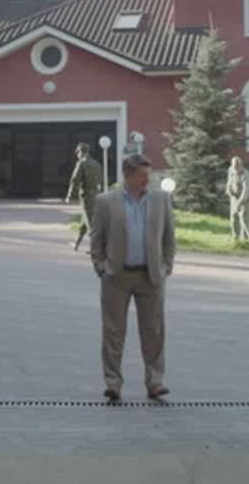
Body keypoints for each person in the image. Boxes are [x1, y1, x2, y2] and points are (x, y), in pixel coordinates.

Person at [90, 154, 176, 402]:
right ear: (127, 176)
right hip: (116, 277)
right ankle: (113, 383)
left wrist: (166, 267)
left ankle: (155, 382)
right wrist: (101, 267)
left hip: (151, 277)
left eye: (148, 175)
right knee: (113, 333)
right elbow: (97, 239)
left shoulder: (161, 199)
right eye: (141, 176)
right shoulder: (106, 202)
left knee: (154, 332)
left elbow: (169, 238)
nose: (147, 180)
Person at [65, 143, 103, 251]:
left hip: (86, 196)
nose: (77, 155)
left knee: (90, 223)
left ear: (81, 152)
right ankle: (76, 243)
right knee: (85, 221)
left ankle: (97, 249)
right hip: (96, 195)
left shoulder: (82, 163)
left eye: (77, 152)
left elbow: (75, 180)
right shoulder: (96, 163)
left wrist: (70, 196)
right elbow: (100, 180)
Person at [226, 156, 249, 242]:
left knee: (243, 219)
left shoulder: (245, 174)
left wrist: (239, 203)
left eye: (237, 167)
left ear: (241, 165)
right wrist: (229, 191)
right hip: (234, 197)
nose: (236, 169)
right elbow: (229, 182)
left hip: (244, 198)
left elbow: (246, 190)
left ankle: (246, 240)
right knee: (233, 218)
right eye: (234, 167)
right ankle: (235, 239)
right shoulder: (230, 170)